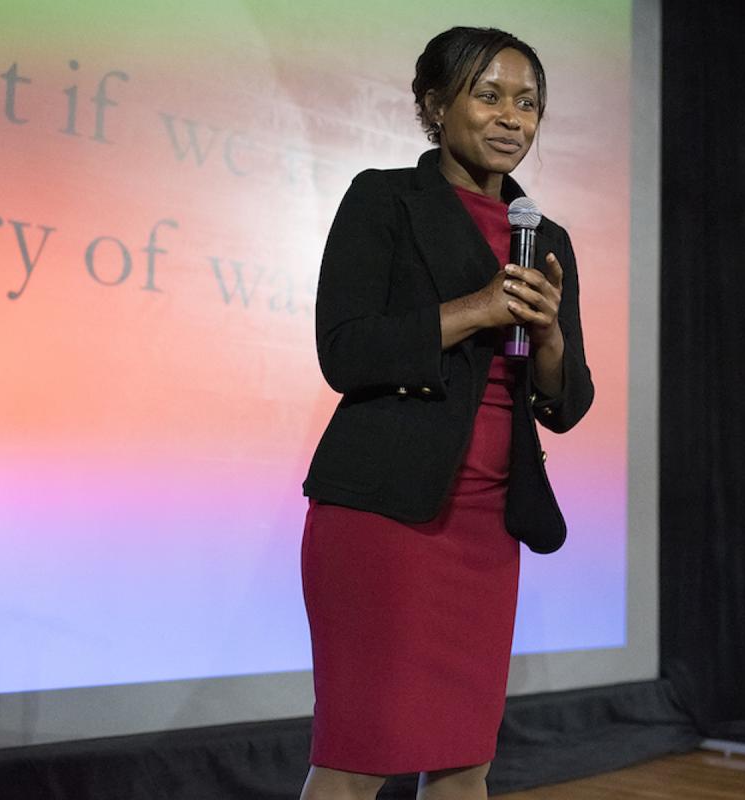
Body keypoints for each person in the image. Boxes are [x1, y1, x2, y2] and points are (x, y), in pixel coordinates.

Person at [299, 26, 594, 800]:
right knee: (356, 757)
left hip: (488, 522)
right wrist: (476, 308)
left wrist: (550, 334)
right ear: (435, 105)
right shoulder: (383, 199)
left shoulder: (545, 236)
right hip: (385, 514)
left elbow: (567, 403)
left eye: (528, 103)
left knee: (466, 760)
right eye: (488, 96)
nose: (512, 118)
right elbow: (347, 351)